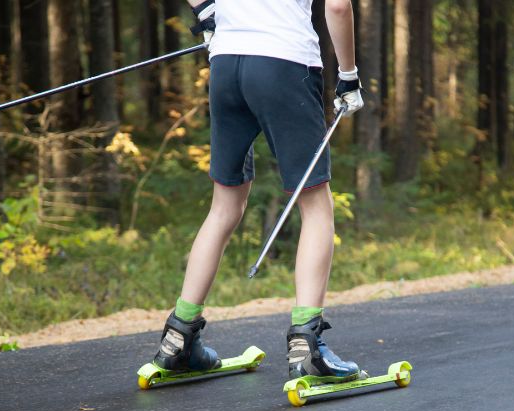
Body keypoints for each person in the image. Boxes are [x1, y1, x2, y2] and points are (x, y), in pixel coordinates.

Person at [151, 0, 365, 382]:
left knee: (223, 207)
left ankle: (178, 338)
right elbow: (337, 6)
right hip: (284, 63)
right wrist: (348, 74)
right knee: (316, 205)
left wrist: (205, 12)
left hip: (226, 63)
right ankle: (306, 347)